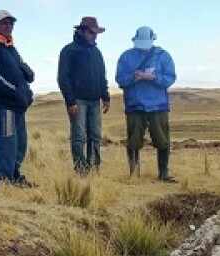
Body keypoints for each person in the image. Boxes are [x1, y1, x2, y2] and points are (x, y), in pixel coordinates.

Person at [0, 9, 35, 188]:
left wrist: (26, 88)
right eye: (4, 23)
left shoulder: (10, 48)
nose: (8, 26)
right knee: (6, 143)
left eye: (11, 23)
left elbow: (24, 71)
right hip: (4, 106)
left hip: (17, 106)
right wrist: (18, 94)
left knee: (19, 144)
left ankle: (14, 175)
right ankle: (2, 182)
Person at [115, 26, 177, 182]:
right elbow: (120, 80)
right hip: (135, 106)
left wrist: (154, 78)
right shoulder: (126, 57)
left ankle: (163, 173)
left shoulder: (163, 56)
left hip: (158, 106)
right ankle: (134, 174)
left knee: (162, 140)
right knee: (134, 141)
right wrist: (134, 76)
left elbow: (170, 78)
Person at [57, 17, 111, 175]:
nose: (95, 36)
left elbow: (102, 76)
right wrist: (70, 101)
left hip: (95, 100)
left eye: (96, 33)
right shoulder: (69, 51)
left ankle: (94, 168)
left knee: (95, 135)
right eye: (91, 32)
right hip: (78, 101)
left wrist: (105, 96)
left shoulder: (96, 52)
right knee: (79, 137)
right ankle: (81, 170)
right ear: (81, 31)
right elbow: (63, 78)